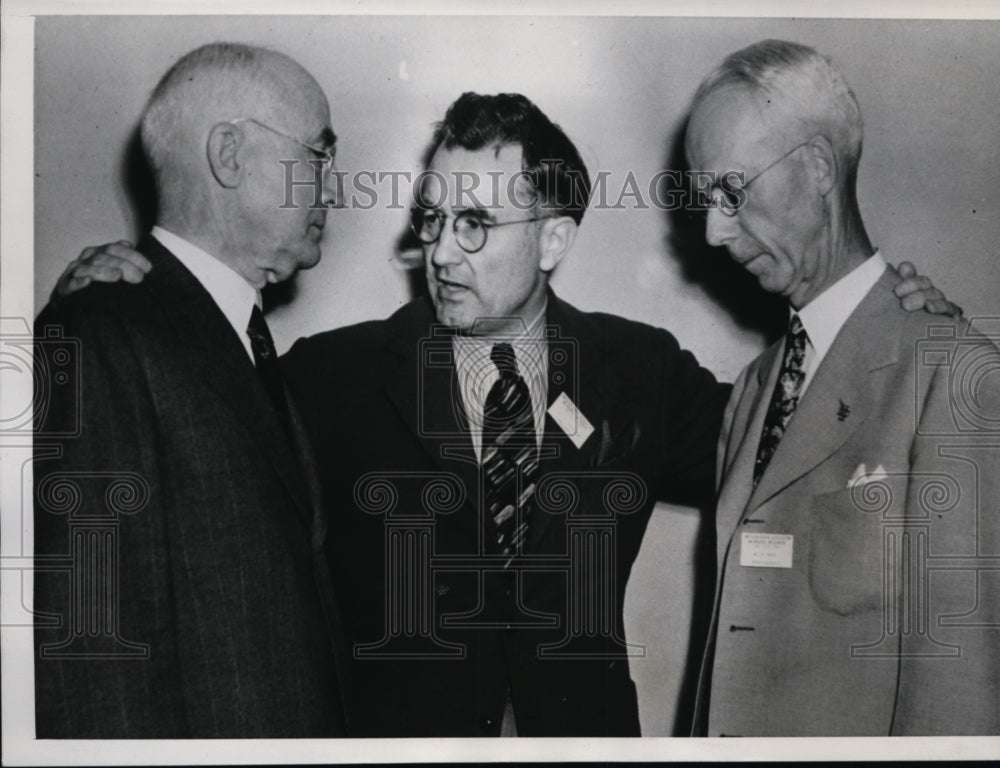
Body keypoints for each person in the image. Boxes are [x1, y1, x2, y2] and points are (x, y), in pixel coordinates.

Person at [50, 90, 956, 737]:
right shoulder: (328, 378)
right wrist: (128, 290)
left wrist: (877, 315)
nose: (441, 250)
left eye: (476, 224)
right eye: (435, 218)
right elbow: (186, 437)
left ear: (554, 237)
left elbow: (789, 447)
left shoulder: (637, 370)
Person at [685, 39, 1000, 736]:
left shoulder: (949, 374)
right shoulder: (753, 392)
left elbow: (957, 699)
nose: (712, 230)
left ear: (818, 168)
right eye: (704, 200)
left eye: (731, 192)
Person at [33, 42, 347, 738]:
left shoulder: (241, 345)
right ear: (230, 156)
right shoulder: (99, 336)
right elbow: (92, 661)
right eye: (319, 156)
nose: (332, 188)